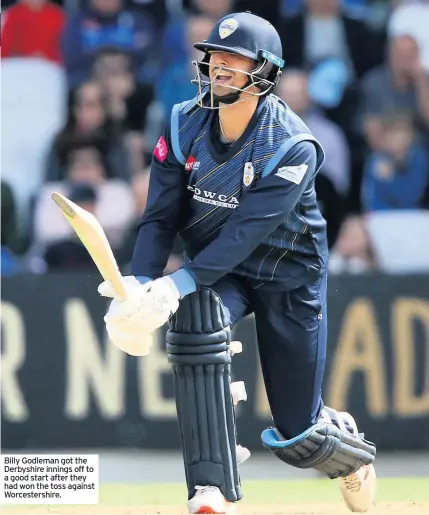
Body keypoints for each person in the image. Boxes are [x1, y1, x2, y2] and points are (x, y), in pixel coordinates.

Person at [98, 12, 376, 515]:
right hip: (220, 273)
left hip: (288, 278)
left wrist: (173, 284)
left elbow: (247, 233)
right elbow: (160, 217)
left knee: (297, 435)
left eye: (234, 60)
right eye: (214, 58)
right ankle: (211, 487)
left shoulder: (292, 145)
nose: (219, 68)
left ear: (265, 72)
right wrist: (138, 284)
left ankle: (348, 453)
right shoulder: (183, 123)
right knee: (195, 321)